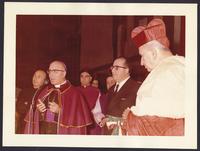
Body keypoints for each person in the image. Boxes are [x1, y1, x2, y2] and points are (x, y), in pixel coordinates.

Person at [122, 18, 185, 136]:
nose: (141, 62)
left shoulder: (167, 72)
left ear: (154, 53)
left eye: (142, 56)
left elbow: (157, 124)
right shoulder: (179, 67)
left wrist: (130, 116)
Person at [24, 61, 92, 134]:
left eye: (55, 71)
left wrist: (60, 111)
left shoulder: (75, 94)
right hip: (44, 132)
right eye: (49, 71)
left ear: (64, 73)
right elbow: (35, 118)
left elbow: (78, 119)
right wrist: (40, 111)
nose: (51, 75)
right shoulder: (45, 91)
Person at [100, 57, 140, 135]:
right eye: (112, 67)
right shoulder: (111, 89)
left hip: (125, 133)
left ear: (127, 70)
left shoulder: (136, 87)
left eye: (117, 68)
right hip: (108, 132)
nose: (112, 70)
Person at [16, 69, 47, 134]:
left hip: (39, 126)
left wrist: (27, 104)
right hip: (23, 124)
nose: (35, 78)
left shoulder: (46, 93)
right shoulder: (25, 91)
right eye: (34, 75)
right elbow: (19, 108)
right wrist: (35, 108)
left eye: (39, 77)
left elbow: (48, 114)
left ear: (45, 81)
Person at [77, 69, 102, 135]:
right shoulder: (75, 90)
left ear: (90, 78)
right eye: (81, 76)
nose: (83, 78)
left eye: (86, 76)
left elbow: (98, 109)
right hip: (78, 120)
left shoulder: (96, 91)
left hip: (92, 120)